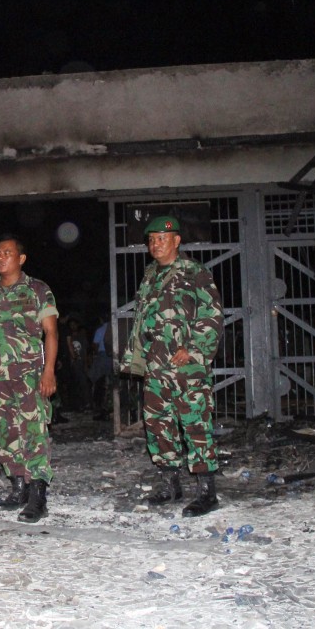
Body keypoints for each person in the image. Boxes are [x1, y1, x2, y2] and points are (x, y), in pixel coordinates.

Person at [120, 216, 224, 517]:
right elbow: (142, 319)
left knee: (194, 423)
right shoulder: (150, 275)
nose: (155, 244)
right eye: (151, 240)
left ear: (176, 240)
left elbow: (212, 315)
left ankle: (207, 492)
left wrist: (193, 349)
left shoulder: (195, 273)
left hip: (186, 366)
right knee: (158, 424)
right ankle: (170, 484)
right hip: (156, 363)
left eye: (161, 239)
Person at [0, 234, 59, 523]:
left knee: (34, 432)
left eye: (7, 252)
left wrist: (49, 371)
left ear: (21, 259)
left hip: (30, 376)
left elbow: (51, 333)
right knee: (8, 433)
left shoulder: (38, 290)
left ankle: (37, 495)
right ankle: (18, 489)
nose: (0, 257)